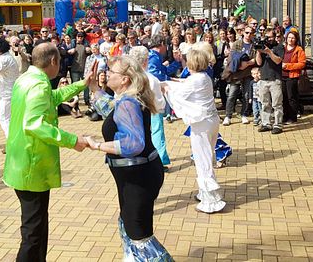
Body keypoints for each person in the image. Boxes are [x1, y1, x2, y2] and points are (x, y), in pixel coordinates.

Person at [4, 42, 90, 262]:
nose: (59, 65)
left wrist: (81, 84)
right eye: (59, 61)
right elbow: (34, 124)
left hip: (21, 162)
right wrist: (72, 140)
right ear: (53, 61)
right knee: (33, 233)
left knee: (37, 227)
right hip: (32, 166)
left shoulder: (26, 79)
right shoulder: (38, 85)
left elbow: (51, 98)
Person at [85, 55, 173, 260]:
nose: (106, 73)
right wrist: (94, 88)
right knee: (130, 226)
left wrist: (97, 145)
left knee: (140, 236)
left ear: (125, 79)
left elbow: (133, 143)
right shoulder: (127, 99)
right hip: (137, 176)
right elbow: (110, 110)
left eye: (111, 71)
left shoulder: (128, 103)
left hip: (138, 178)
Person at [162, 49, 226, 214]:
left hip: (202, 124)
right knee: (207, 156)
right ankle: (204, 192)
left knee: (202, 159)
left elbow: (180, 93)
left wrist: (167, 87)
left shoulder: (197, 79)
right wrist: (172, 82)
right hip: (211, 121)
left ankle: (210, 201)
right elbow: (185, 84)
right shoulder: (204, 77)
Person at [129, 46, 170, 169]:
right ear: (146, 61)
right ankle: (160, 160)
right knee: (157, 133)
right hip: (152, 110)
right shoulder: (151, 79)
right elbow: (159, 102)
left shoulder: (127, 78)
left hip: (132, 113)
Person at [255, 28, 285, 134]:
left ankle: (278, 125)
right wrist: (259, 52)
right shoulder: (263, 46)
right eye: (266, 37)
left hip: (275, 79)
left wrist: (269, 52)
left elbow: (278, 61)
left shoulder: (279, 47)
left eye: (270, 37)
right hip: (263, 79)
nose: (268, 39)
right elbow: (258, 63)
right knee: (264, 103)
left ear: (274, 37)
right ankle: (266, 123)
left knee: (277, 104)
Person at [281, 30, 306, 124]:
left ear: (296, 39)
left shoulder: (299, 49)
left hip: (292, 76)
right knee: (283, 97)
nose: (290, 40)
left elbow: (302, 64)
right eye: (289, 37)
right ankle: (284, 116)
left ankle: (292, 117)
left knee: (291, 97)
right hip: (282, 75)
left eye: (293, 38)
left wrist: (288, 66)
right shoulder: (283, 48)